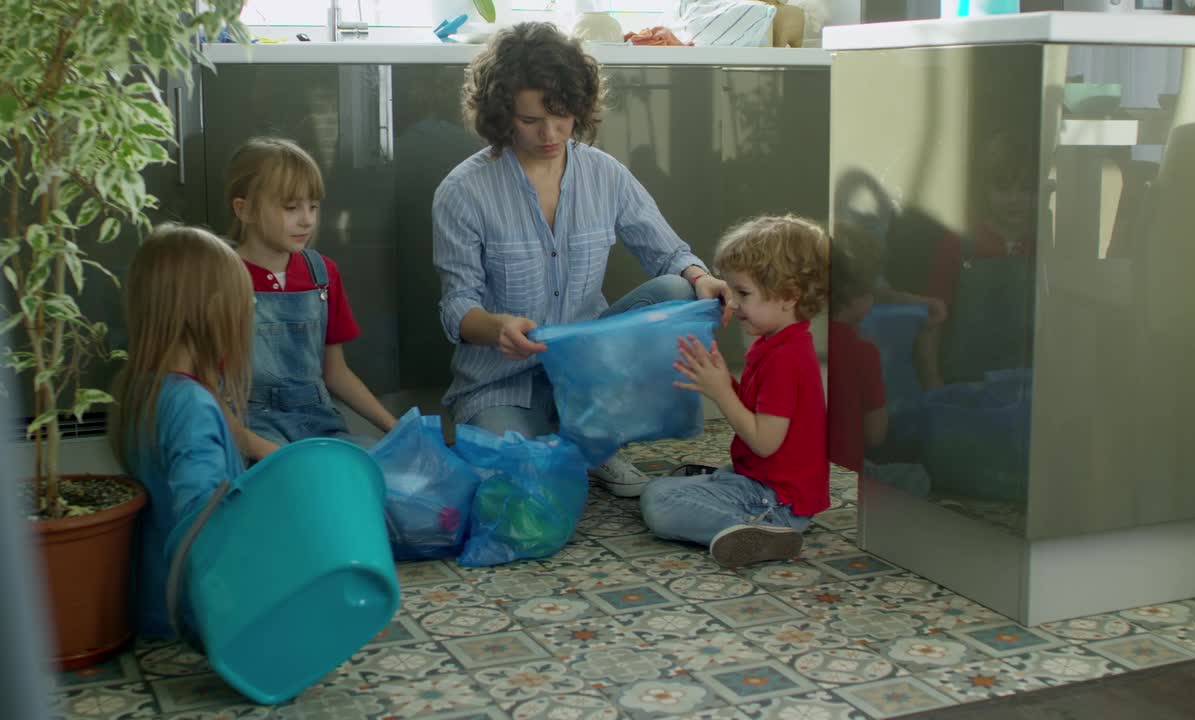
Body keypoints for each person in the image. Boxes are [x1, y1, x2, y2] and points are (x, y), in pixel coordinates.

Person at [432, 22, 730, 497]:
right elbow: (456, 306)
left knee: (678, 290)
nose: (550, 133)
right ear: (502, 115)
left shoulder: (605, 174)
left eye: (562, 115)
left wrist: (702, 277)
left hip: (590, 375)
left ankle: (592, 438)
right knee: (516, 490)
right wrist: (498, 327)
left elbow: (667, 252)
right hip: (503, 383)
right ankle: (576, 445)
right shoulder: (462, 192)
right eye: (530, 120)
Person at [639, 215, 828, 567]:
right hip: (764, 481)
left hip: (778, 500)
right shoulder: (773, 343)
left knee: (658, 501)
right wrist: (724, 380)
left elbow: (764, 441)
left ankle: (757, 531)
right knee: (663, 488)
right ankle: (726, 492)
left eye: (743, 293)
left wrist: (721, 392)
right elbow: (759, 416)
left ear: (788, 297)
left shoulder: (787, 357)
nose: (733, 304)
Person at [109, 225, 254, 638]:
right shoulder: (192, 405)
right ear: (212, 311)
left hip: (152, 602)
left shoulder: (139, 387)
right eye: (244, 304)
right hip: (197, 614)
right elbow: (202, 521)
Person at [226, 137, 397, 460]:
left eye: (313, 206)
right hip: (253, 427)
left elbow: (335, 372)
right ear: (244, 209)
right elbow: (207, 389)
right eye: (291, 208)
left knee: (374, 468)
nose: (306, 220)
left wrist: (395, 427)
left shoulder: (323, 273)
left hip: (318, 422)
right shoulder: (221, 277)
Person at [827, 224, 889, 475]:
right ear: (858, 298)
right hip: (844, 478)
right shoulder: (863, 353)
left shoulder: (800, 341)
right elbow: (876, 434)